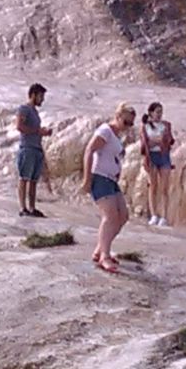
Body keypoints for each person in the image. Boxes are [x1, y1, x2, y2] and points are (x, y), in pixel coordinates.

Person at [82, 103, 137, 273]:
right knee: (110, 216)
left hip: (111, 179)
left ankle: (100, 249)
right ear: (118, 117)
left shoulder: (116, 135)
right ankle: (104, 256)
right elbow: (89, 150)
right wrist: (87, 179)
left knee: (123, 216)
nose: (128, 127)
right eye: (126, 122)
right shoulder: (105, 131)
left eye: (131, 124)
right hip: (100, 177)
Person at [15, 83, 52, 218]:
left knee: (33, 180)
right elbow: (19, 126)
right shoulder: (24, 109)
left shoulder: (35, 112)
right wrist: (38, 131)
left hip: (36, 148)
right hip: (27, 148)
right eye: (41, 96)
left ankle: (32, 207)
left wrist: (43, 133)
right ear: (33, 95)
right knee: (24, 178)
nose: (42, 99)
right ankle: (22, 208)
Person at [140, 102, 175, 226]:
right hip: (151, 157)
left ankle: (164, 216)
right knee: (153, 187)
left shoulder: (166, 125)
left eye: (161, 112)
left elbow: (169, 141)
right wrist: (157, 141)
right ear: (151, 113)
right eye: (157, 112)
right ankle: (154, 215)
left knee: (165, 187)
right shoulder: (145, 127)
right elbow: (144, 145)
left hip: (164, 156)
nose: (160, 114)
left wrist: (156, 141)